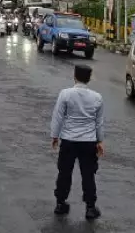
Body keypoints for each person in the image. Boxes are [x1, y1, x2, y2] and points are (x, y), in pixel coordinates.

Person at [50, 64, 104, 220]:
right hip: (88, 141)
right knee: (88, 174)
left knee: (64, 172)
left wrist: (55, 136)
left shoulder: (65, 94)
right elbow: (98, 122)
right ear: (89, 78)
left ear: (74, 76)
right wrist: (100, 141)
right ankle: (90, 207)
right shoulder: (97, 97)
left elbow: (58, 116)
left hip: (68, 140)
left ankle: (60, 203)